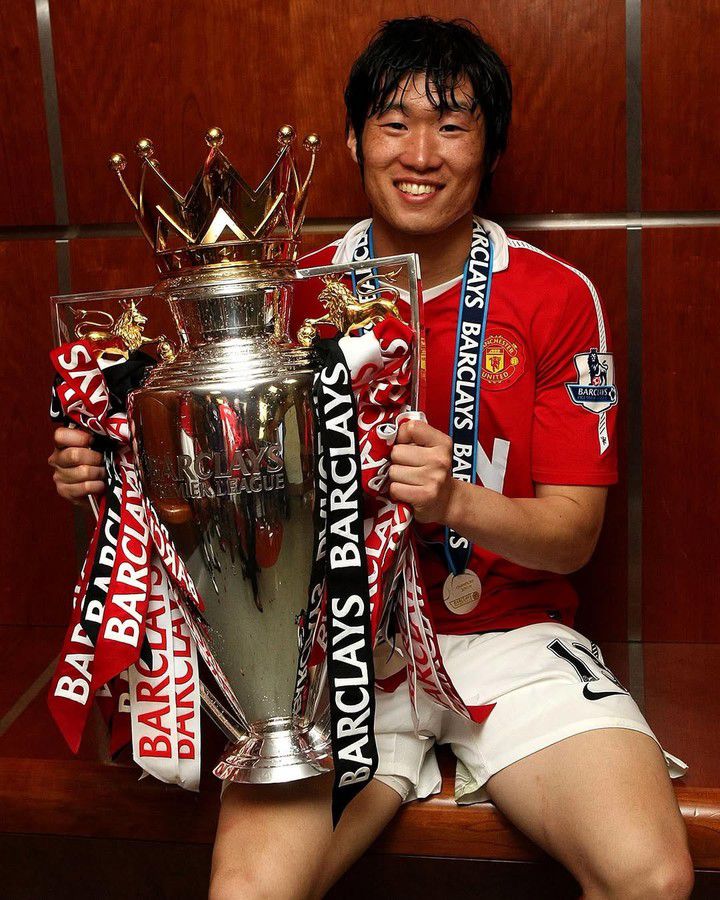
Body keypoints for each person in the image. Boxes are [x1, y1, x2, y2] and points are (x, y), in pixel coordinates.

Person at [49, 17, 693, 900]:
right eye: (394, 123)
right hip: (337, 650)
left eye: (452, 125)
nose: (420, 154)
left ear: (490, 148)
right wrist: (115, 472)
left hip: (507, 641)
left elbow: (573, 536)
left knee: (648, 876)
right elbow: (220, 506)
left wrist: (455, 503)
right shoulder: (286, 298)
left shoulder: (554, 295)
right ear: (354, 139)